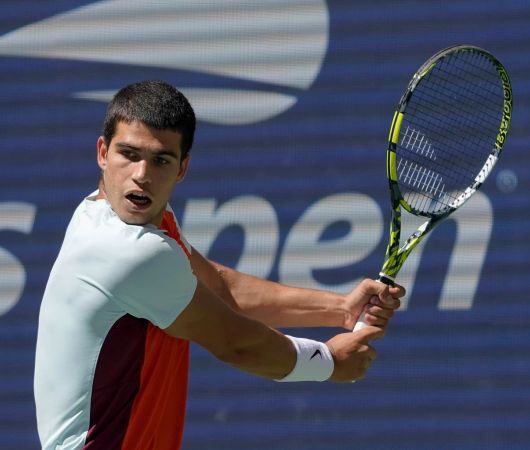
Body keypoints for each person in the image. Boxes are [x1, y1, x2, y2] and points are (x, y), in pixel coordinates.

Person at [33, 80, 405, 450]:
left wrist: (339, 308)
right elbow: (236, 342)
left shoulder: (135, 221)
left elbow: (220, 287)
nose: (142, 175)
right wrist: (329, 362)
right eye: (128, 154)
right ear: (102, 152)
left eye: (161, 160)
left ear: (182, 168)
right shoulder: (126, 250)